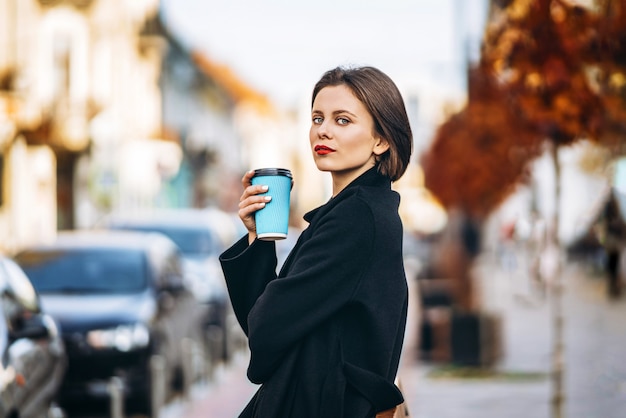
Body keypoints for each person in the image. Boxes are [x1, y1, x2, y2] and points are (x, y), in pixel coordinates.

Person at [219, 65, 413, 417]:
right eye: (317, 118)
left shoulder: (356, 220)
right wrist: (257, 237)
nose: (323, 130)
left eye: (342, 120)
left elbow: (265, 329)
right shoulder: (356, 213)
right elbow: (263, 325)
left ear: (381, 140)